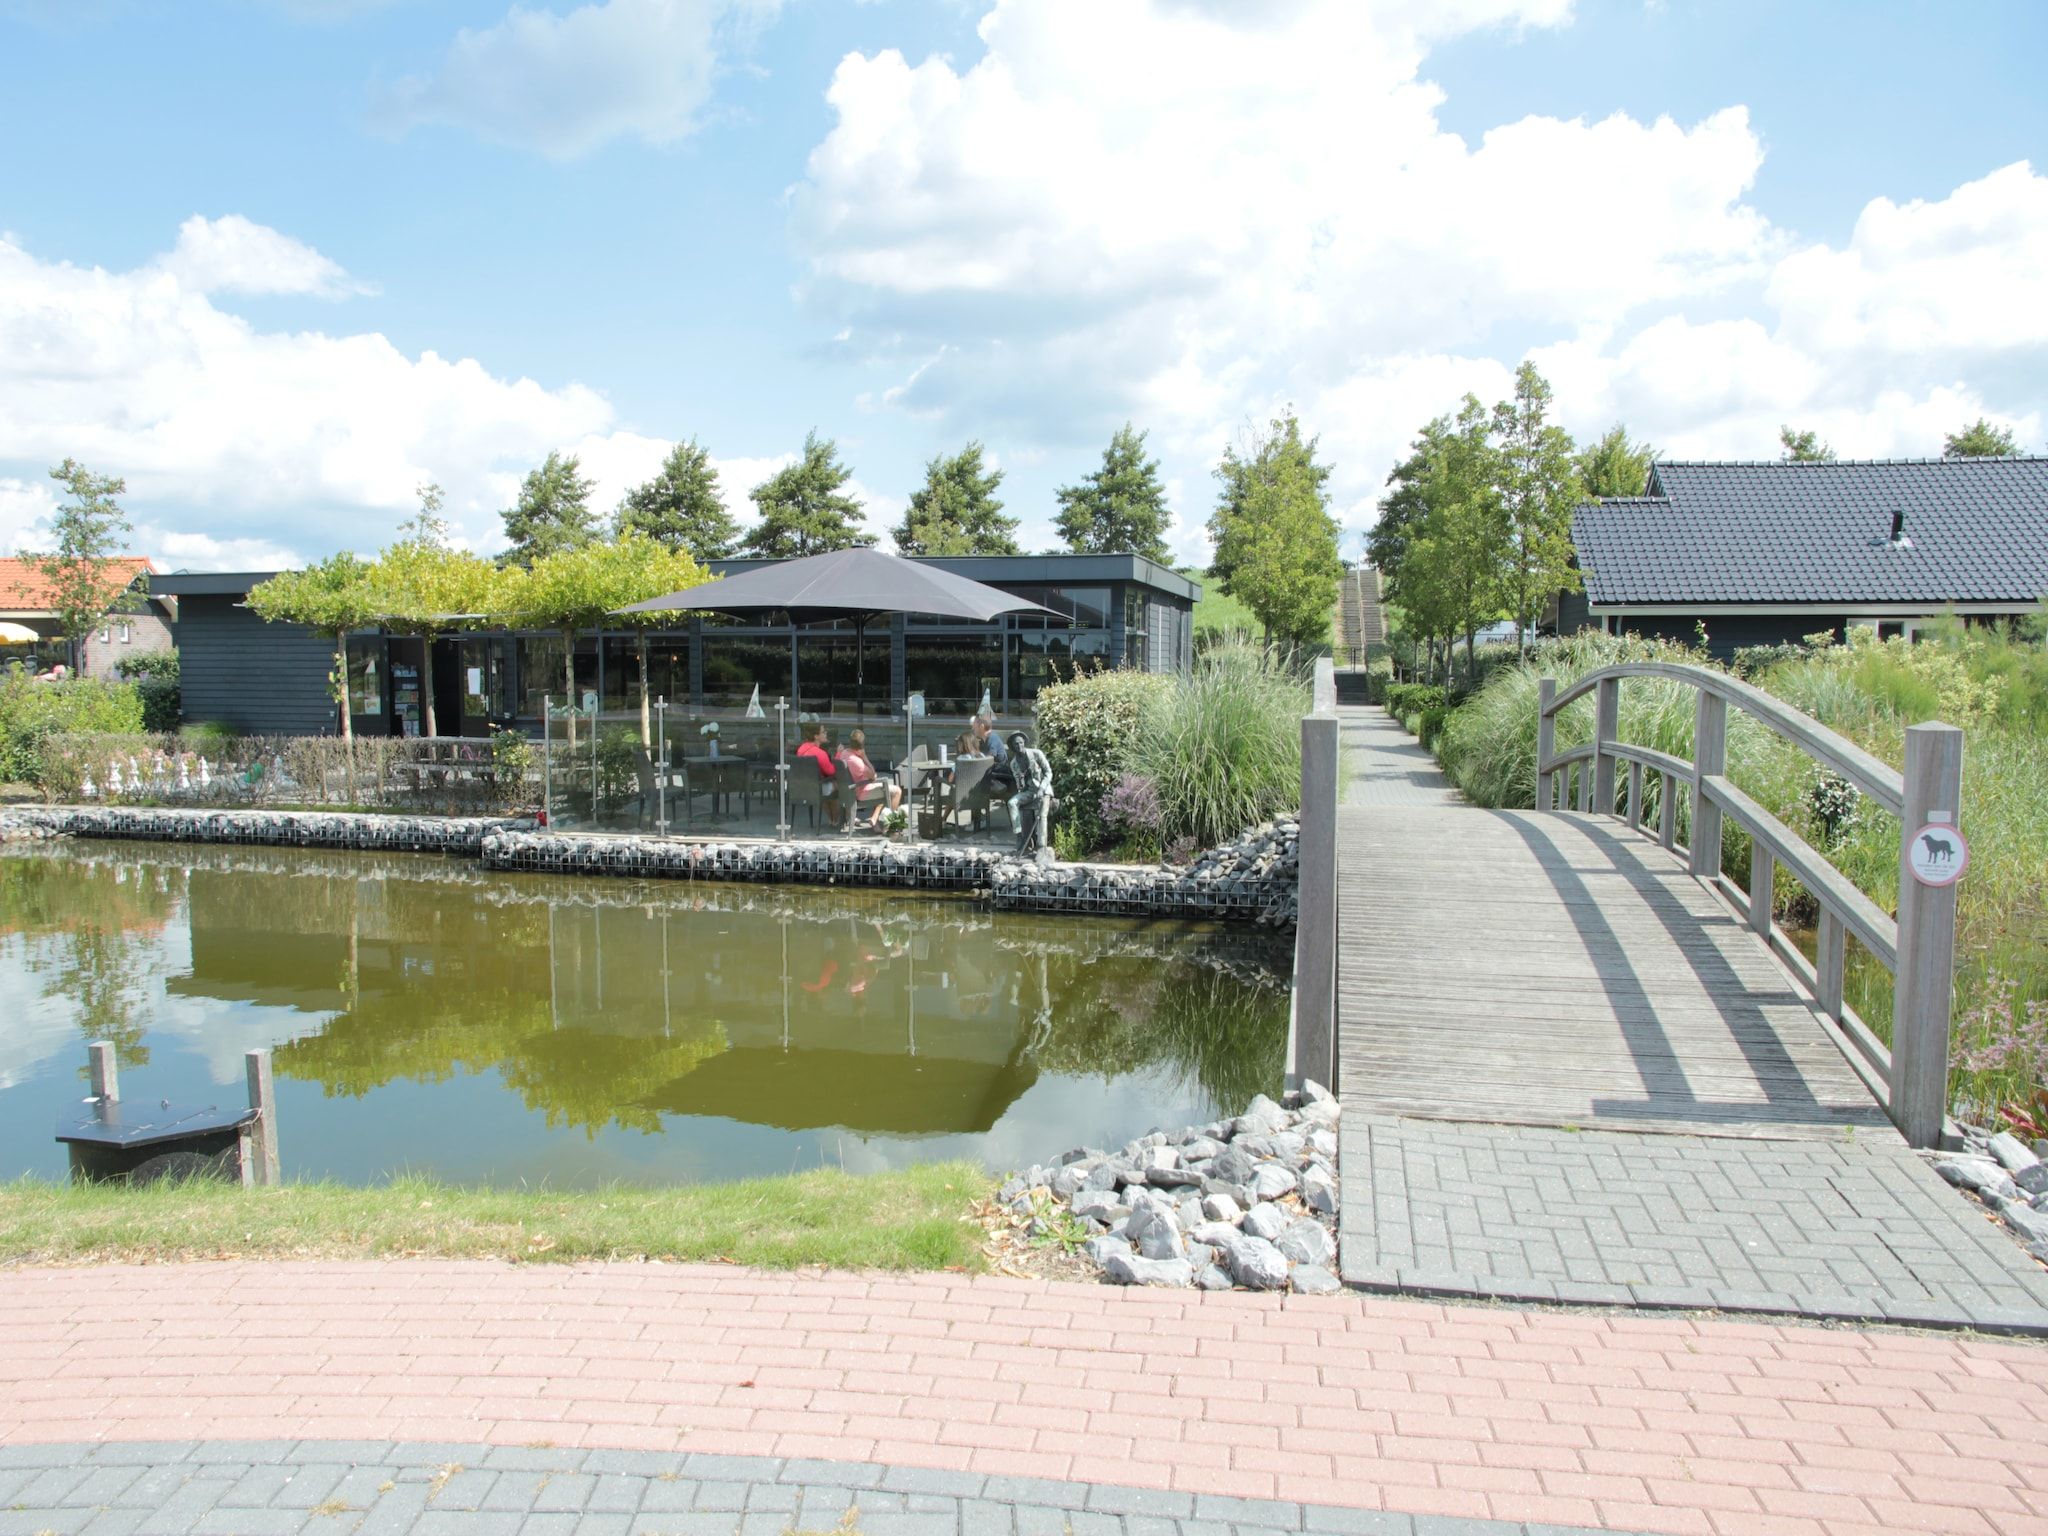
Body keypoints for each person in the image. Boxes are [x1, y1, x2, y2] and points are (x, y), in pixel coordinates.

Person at [838, 727, 902, 830]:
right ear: (862, 747)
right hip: (861, 792)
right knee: (896, 791)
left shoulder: (844, 754)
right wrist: (864, 757)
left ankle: (874, 819)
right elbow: (873, 775)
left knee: (884, 788)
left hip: (852, 790)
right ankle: (890, 827)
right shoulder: (857, 762)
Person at [1008, 731, 1054, 855]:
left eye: (1021, 743)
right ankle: (1019, 836)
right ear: (1012, 746)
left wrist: (1042, 788)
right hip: (1029, 792)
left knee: (1042, 816)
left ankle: (1041, 847)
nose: (1019, 746)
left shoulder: (1036, 754)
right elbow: (1019, 785)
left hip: (1043, 791)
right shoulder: (1014, 763)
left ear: (1024, 743)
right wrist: (1021, 783)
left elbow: (1048, 772)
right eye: (1016, 744)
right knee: (1012, 803)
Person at [796, 721, 842, 825]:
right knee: (838, 785)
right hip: (818, 789)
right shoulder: (820, 753)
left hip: (803, 787)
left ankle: (831, 819)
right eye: (823, 731)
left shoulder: (801, 749)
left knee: (828, 785)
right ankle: (837, 819)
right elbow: (832, 771)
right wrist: (838, 754)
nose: (826, 733)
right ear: (816, 736)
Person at [973, 714, 1015, 795]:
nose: (973, 728)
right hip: (990, 773)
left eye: (975, 726)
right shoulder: (983, 740)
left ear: (981, 726)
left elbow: (989, 760)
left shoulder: (992, 738)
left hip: (1000, 776)